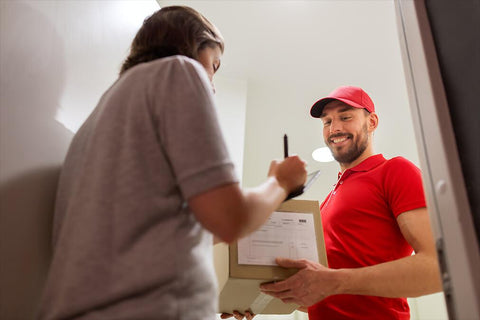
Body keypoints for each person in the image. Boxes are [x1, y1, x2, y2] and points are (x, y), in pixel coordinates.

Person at [38, 6, 307, 320]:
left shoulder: (95, 123)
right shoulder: (178, 71)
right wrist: (280, 182)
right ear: (193, 46)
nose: (213, 85)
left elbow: (165, 229)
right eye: (214, 66)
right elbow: (230, 218)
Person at [258, 86, 442, 319]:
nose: (334, 128)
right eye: (327, 122)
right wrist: (259, 298)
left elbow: (437, 267)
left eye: (345, 117)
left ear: (372, 122)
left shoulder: (395, 170)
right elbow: (330, 293)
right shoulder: (328, 201)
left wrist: (335, 282)